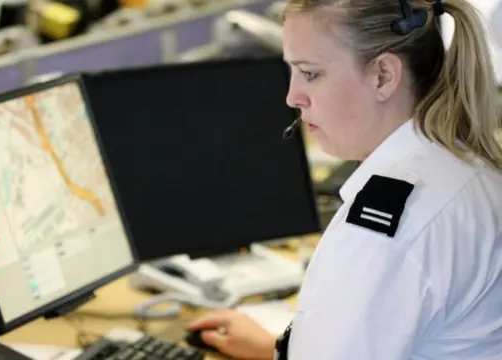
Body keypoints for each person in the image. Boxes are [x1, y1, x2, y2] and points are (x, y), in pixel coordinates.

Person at [186, 0, 502, 359]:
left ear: (383, 75)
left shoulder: (386, 232)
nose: (292, 96)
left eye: (311, 74)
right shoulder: (467, 161)